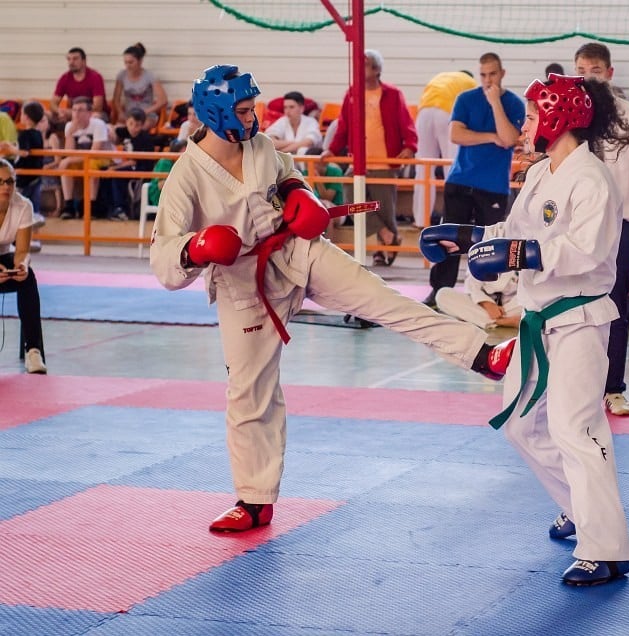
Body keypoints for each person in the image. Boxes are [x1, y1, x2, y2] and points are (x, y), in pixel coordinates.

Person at [150, 64, 515, 533]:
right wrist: (197, 247)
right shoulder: (186, 177)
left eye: (252, 108)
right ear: (216, 112)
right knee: (248, 392)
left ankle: (482, 355)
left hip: (298, 251)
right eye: (243, 111)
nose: (252, 118)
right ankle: (254, 499)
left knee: (385, 300)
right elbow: (163, 260)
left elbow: (286, 172)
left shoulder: (258, 145)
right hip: (245, 285)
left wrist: (298, 192)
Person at [425, 73, 629, 586]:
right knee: (519, 422)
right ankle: (578, 506)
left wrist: (525, 252)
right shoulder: (543, 173)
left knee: (575, 429)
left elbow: (587, 252)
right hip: (539, 320)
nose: (526, 126)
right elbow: (513, 234)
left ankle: (606, 549)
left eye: (536, 116)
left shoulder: (591, 179)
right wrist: (466, 237)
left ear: (561, 120)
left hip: (580, 321)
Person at [573, 42, 629, 417]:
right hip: (576, 226)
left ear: (609, 73)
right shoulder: (571, 117)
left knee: (615, 306)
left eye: (593, 69)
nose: (586, 76)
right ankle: (572, 386)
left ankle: (613, 388)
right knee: (571, 305)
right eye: (580, 69)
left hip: (622, 225)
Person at [422, 53, 525, 306]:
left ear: (502, 73)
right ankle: (439, 291)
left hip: (493, 186)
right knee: (448, 239)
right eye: (483, 74)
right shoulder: (466, 98)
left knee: (489, 243)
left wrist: (495, 104)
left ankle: (490, 295)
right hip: (460, 179)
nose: (488, 79)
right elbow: (456, 134)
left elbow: (510, 138)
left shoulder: (513, 103)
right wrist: (491, 137)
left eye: (492, 74)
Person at [322, 50, 417, 266]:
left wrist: (410, 146)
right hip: (358, 162)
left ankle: (382, 251)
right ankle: (387, 235)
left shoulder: (392, 94)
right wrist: (332, 149)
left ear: (376, 69)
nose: (358, 70)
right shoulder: (352, 93)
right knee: (351, 200)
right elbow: (343, 125)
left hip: (384, 160)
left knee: (384, 207)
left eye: (363, 65)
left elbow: (406, 123)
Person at [411, 70, 477, 227]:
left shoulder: (440, 77)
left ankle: (421, 220)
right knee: (452, 168)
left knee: (424, 169)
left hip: (424, 113)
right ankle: (451, 219)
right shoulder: (471, 83)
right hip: (447, 113)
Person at [0, 159, 46, 374]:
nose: (6, 187)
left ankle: (33, 351)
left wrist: (22, 266)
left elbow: (21, 250)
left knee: (28, 278)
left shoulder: (23, 205)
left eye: (10, 182)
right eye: (0, 182)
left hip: (5, 256)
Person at [57, 96, 110, 219]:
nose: (76, 113)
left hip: (102, 158)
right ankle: (68, 206)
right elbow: (69, 153)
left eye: (80, 110)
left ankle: (92, 207)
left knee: (91, 165)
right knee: (66, 167)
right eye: (74, 110)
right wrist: (70, 134)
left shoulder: (98, 124)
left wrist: (69, 159)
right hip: (81, 159)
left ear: (89, 113)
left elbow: (95, 152)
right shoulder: (69, 126)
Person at [109, 106, 160, 220]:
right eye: (130, 123)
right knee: (104, 173)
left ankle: (121, 208)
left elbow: (134, 161)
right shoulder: (125, 131)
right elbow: (112, 128)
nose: (133, 128)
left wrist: (115, 167)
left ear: (142, 125)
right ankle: (108, 208)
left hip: (142, 168)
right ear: (126, 122)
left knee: (117, 174)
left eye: (137, 125)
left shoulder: (145, 139)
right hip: (130, 166)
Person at [435, 270, 521, 330]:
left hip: (511, 306)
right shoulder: (483, 251)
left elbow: (528, 291)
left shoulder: (524, 252)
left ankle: (479, 319)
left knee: (529, 303)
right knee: (443, 294)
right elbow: (472, 285)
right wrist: (487, 303)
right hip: (482, 306)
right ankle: (509, 321)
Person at [111, 43, 168, 127]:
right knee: (116, 130)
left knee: (138, 128)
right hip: (128, 115)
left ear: (140, 61)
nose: (127, 66)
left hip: (146, 115)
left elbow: (163, 100)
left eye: (131, 62)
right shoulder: (122, 75)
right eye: (125, 62)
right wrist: (120, 112)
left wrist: (146, 111)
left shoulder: (150, 76)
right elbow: (116, 99)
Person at [51, 47, 107, 119]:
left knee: (96, 116)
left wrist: (74, 112)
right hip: (71, 115)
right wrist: (59, 111)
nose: (71, 62)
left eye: (75, 59)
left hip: (92, 114)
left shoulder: (95, 77)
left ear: (84, 61)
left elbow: (97, 107)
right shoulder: (64, 78)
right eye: (69, 59)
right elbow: (53, 104)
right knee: (46, 115)